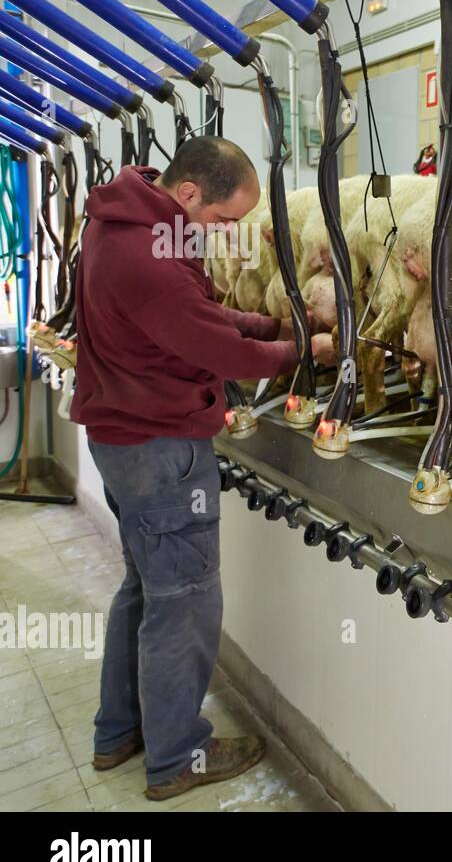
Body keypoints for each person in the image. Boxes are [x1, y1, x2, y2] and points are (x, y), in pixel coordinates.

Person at [69, 136, 334, 801]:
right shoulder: (146, 255)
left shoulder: (122, 224)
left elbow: (193, 317)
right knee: (183, 602)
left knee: (146, 590)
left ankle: (120, 732)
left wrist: (261, 319)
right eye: (223, 220)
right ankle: (178, 756)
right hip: (159, 450)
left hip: (123, 441)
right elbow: (212, 345)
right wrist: (302, 347)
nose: (226, 235)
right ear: (188, 194)